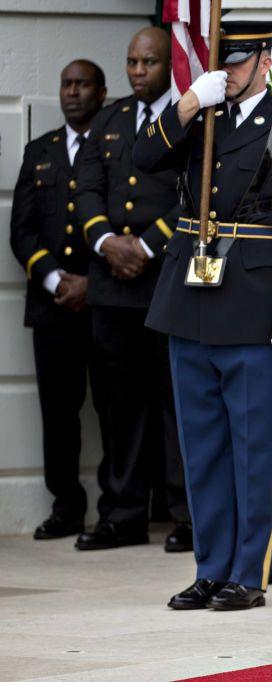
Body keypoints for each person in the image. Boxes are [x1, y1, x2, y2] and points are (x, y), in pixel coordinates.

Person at [133, 19, 272, 610]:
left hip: (253, 308)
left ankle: (249, 573)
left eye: (239, 61)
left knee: (251, 449)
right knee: (201, 449)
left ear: (266, 60)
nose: (227, 72)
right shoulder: (200, 120)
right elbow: (146, 158)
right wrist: (192, 101)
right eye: (219, 62)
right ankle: (210, 567)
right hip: (189, 303)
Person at [74, 27, 192, 552]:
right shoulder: (112, 117)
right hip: (111, 287)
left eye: (149, 62)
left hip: (163, 281)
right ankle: (121, 514)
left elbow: (193, 195)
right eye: (131, 62)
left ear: (170, 65)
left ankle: (185, 515)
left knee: (174, 406)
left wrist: (145, 246)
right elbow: (87, 186)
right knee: (118, 406)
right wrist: (104, 242)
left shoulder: (187, 119)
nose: (138, 71)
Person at [9, 60, 106, 540]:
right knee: (58, 413)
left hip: (106, 304)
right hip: (53, 308)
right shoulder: (39, 151)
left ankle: (118, 507)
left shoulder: (116, 148)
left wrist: (92, 282)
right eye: (65, 84)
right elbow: (21, 232)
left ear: (101, 93)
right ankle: (66, 505)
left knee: (116, 408)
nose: (72, 93)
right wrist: (55, 280)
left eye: (82, 84)